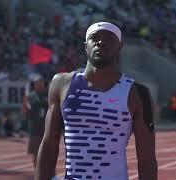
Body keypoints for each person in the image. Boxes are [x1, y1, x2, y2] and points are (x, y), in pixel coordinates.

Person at [35, 22, 157, 179]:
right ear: (86, 46)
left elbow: (146, 159)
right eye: (95, 38)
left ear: (120, 46)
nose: (101, 42)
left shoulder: (138, 94)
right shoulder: (61, 84)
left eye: (109, 38)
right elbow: (49, 146)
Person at [24, 74, 49, 171]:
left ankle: (48, 172)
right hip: (35, 128)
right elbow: (26, 111)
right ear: (34, 85)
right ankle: (37, 171)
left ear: (44, 83)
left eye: (40, 82)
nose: (38, 84)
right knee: (35, 152)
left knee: (47, 152)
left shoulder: (48, 94)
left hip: (46, 128)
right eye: (36, 83)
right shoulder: (30, 96)